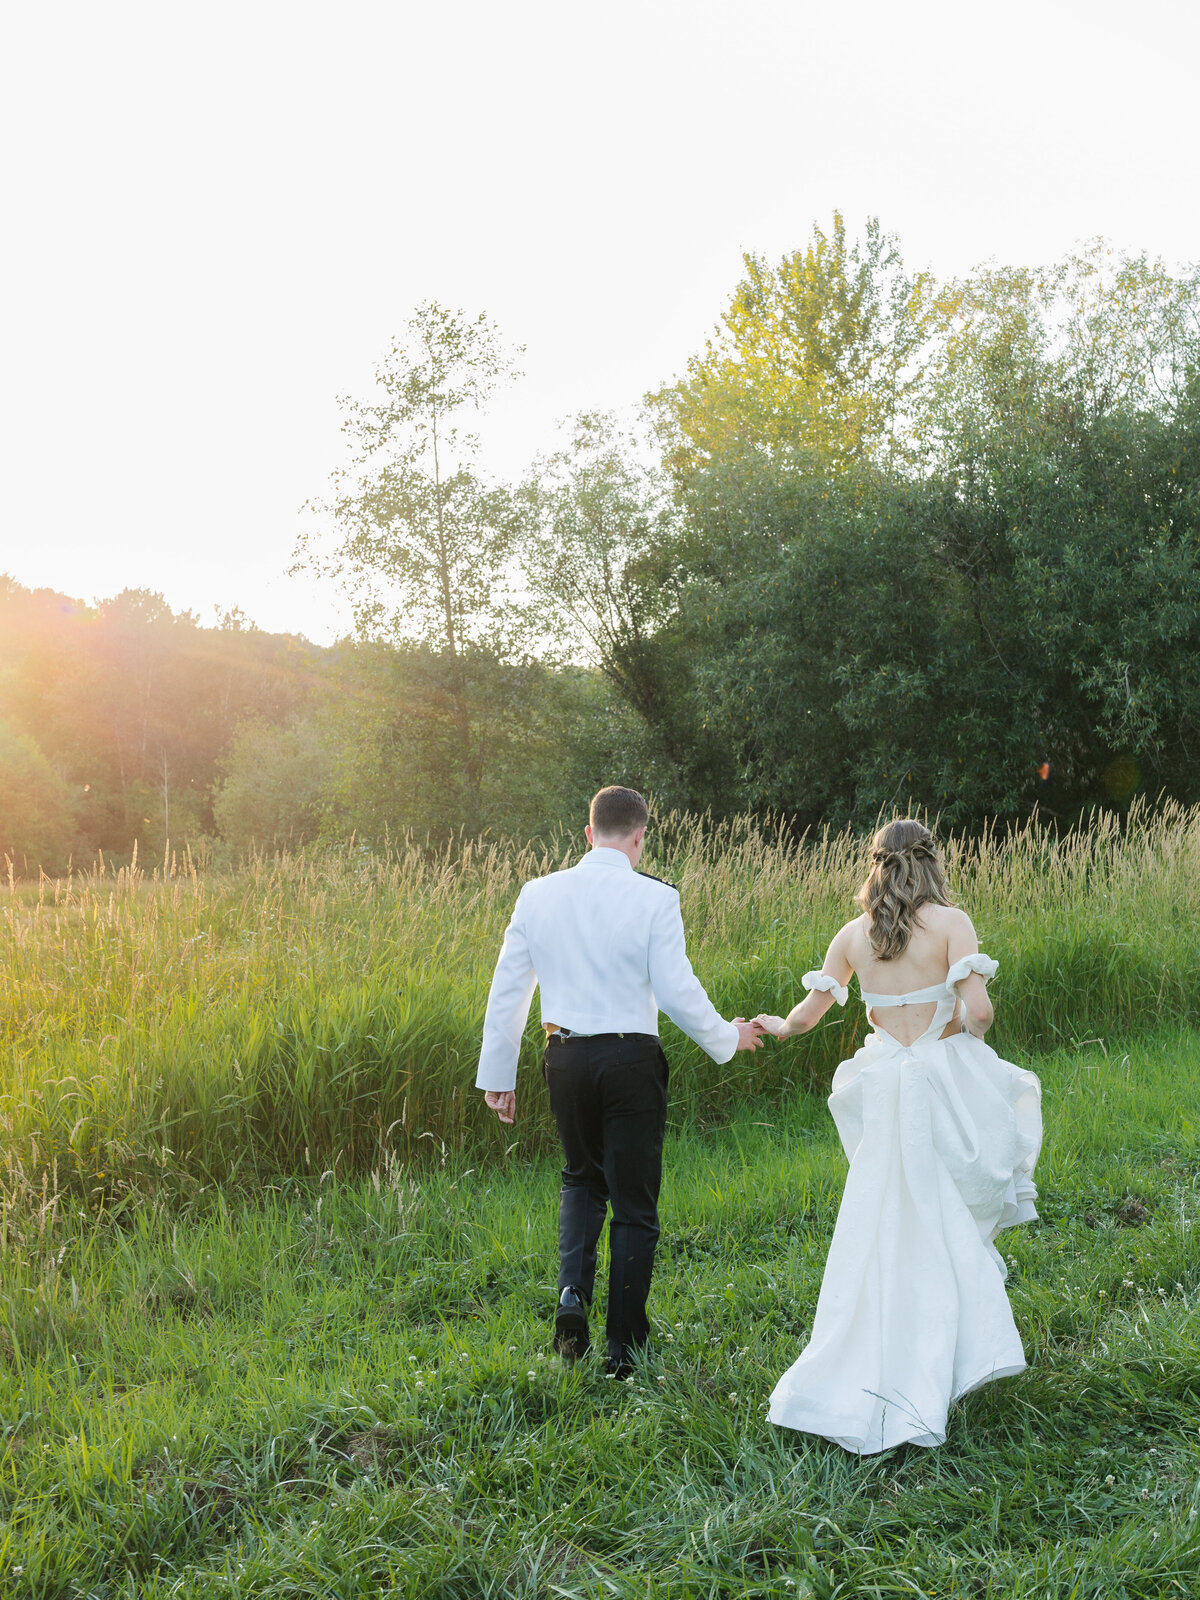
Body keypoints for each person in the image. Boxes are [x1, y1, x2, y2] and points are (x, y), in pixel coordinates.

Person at [754, 818, 1042, 1454]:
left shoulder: (854, 936)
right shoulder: (951, 923)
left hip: (888, 1086)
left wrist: (778, 1024)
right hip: (942, 1080)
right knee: (947, 1212)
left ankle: (875, 1347)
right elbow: (982, 1012)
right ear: (931, 861)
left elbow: (806, 1016)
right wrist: (966, 1027)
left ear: (875, 864)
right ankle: (948, 1352)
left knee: (886, 1217)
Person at [477, 785, 763, 1377]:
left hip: (565, 1058)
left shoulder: (537, 894)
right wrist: (728, 1037)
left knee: (581, 1179)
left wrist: (498, 1075)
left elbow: (509, 988)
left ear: (588, 834)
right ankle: (623, 1350)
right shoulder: (656, 898)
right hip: (631, 1061)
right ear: (639, 838)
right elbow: (677, 989)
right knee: (634, 1204)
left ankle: (571, 1299)